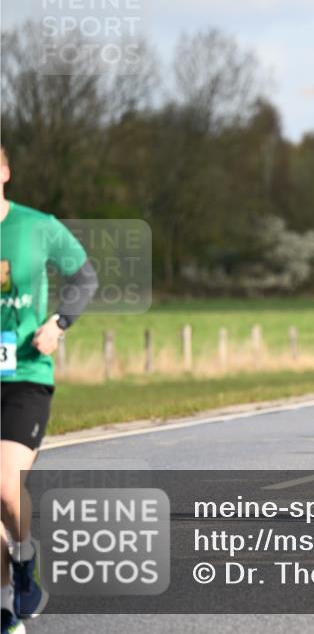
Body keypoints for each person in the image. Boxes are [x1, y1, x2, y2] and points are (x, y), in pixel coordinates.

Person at [1, 146, 98, 634]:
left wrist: (59, 323)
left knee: (5, 488)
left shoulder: (36, 226)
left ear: (4, 171)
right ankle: (6, 612)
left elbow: (84, 275)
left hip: (25, 376)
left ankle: (24, 559)